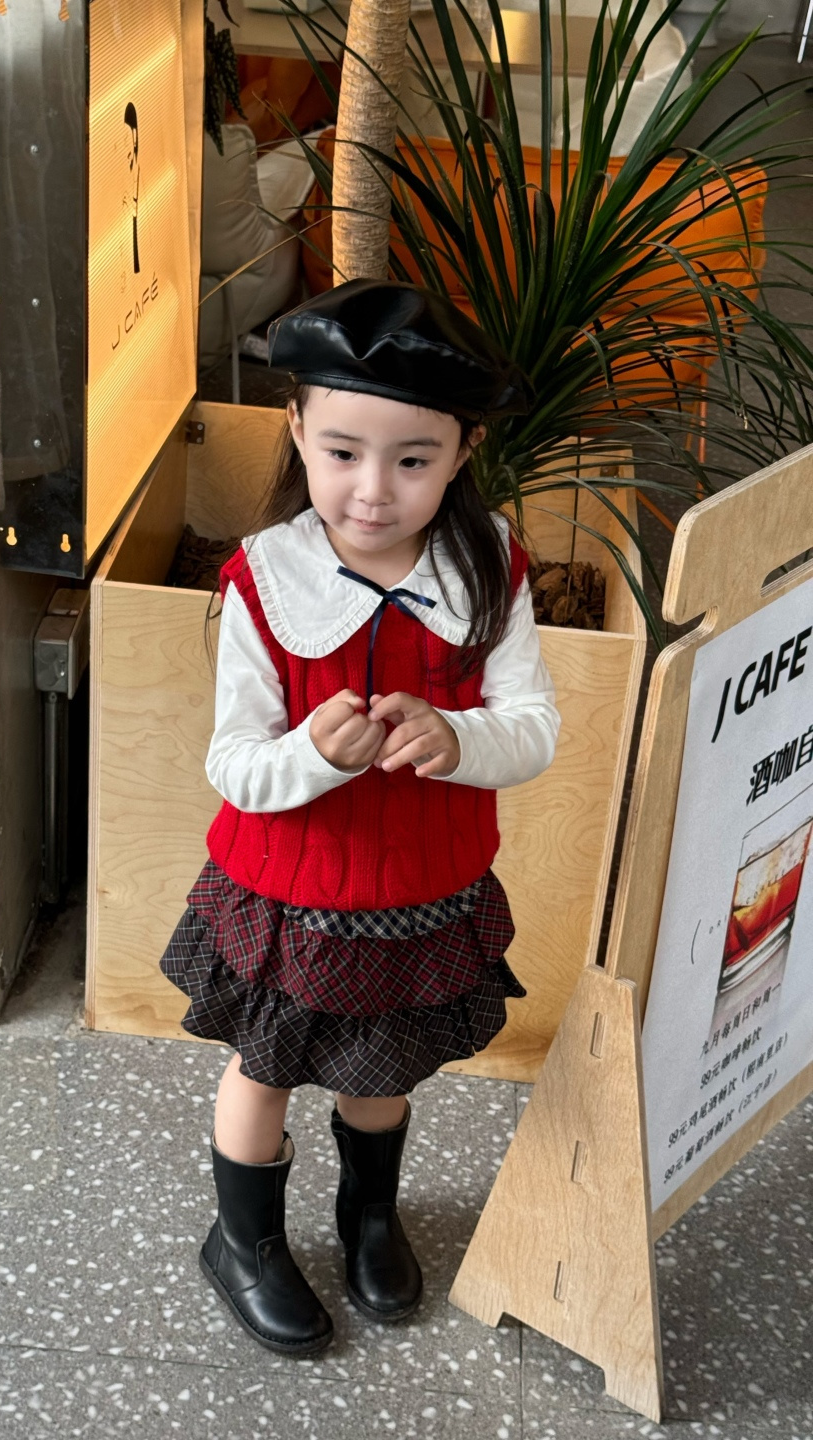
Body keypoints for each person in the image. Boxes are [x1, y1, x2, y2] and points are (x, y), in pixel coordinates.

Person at [161, 279, 561, 1356]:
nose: (373, 491)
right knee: (264, 1070)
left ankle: (368, 1217)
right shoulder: (266, 580)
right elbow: (233, 763)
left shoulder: (491, 568)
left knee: (381, 1077)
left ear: (465, 450)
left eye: (413, 460)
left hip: (421, 892)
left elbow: (533, 728)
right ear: (297, 429)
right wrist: (310, 757)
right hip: (289, 894)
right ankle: (243, 1242)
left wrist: (460, 739)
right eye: (342, 452)